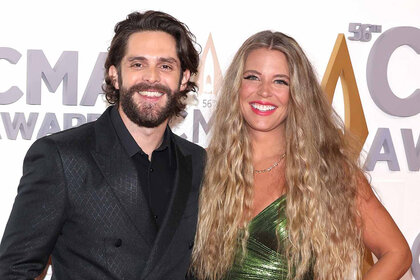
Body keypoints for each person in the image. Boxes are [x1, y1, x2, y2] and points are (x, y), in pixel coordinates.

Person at [0, 10, 205, 280]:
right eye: (138, 64)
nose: (152, 77)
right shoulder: (62, 158)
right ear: (115, 75)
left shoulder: (198, 162)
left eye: (165, 66)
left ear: (183, 79)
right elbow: (13, 271)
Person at [190, 31, 412, 280]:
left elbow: (397, 252)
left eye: (280, 81)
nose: (264, 92)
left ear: (298, 93)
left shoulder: (329, 172)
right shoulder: (202, 166)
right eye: (252, 77)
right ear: (236, 87)